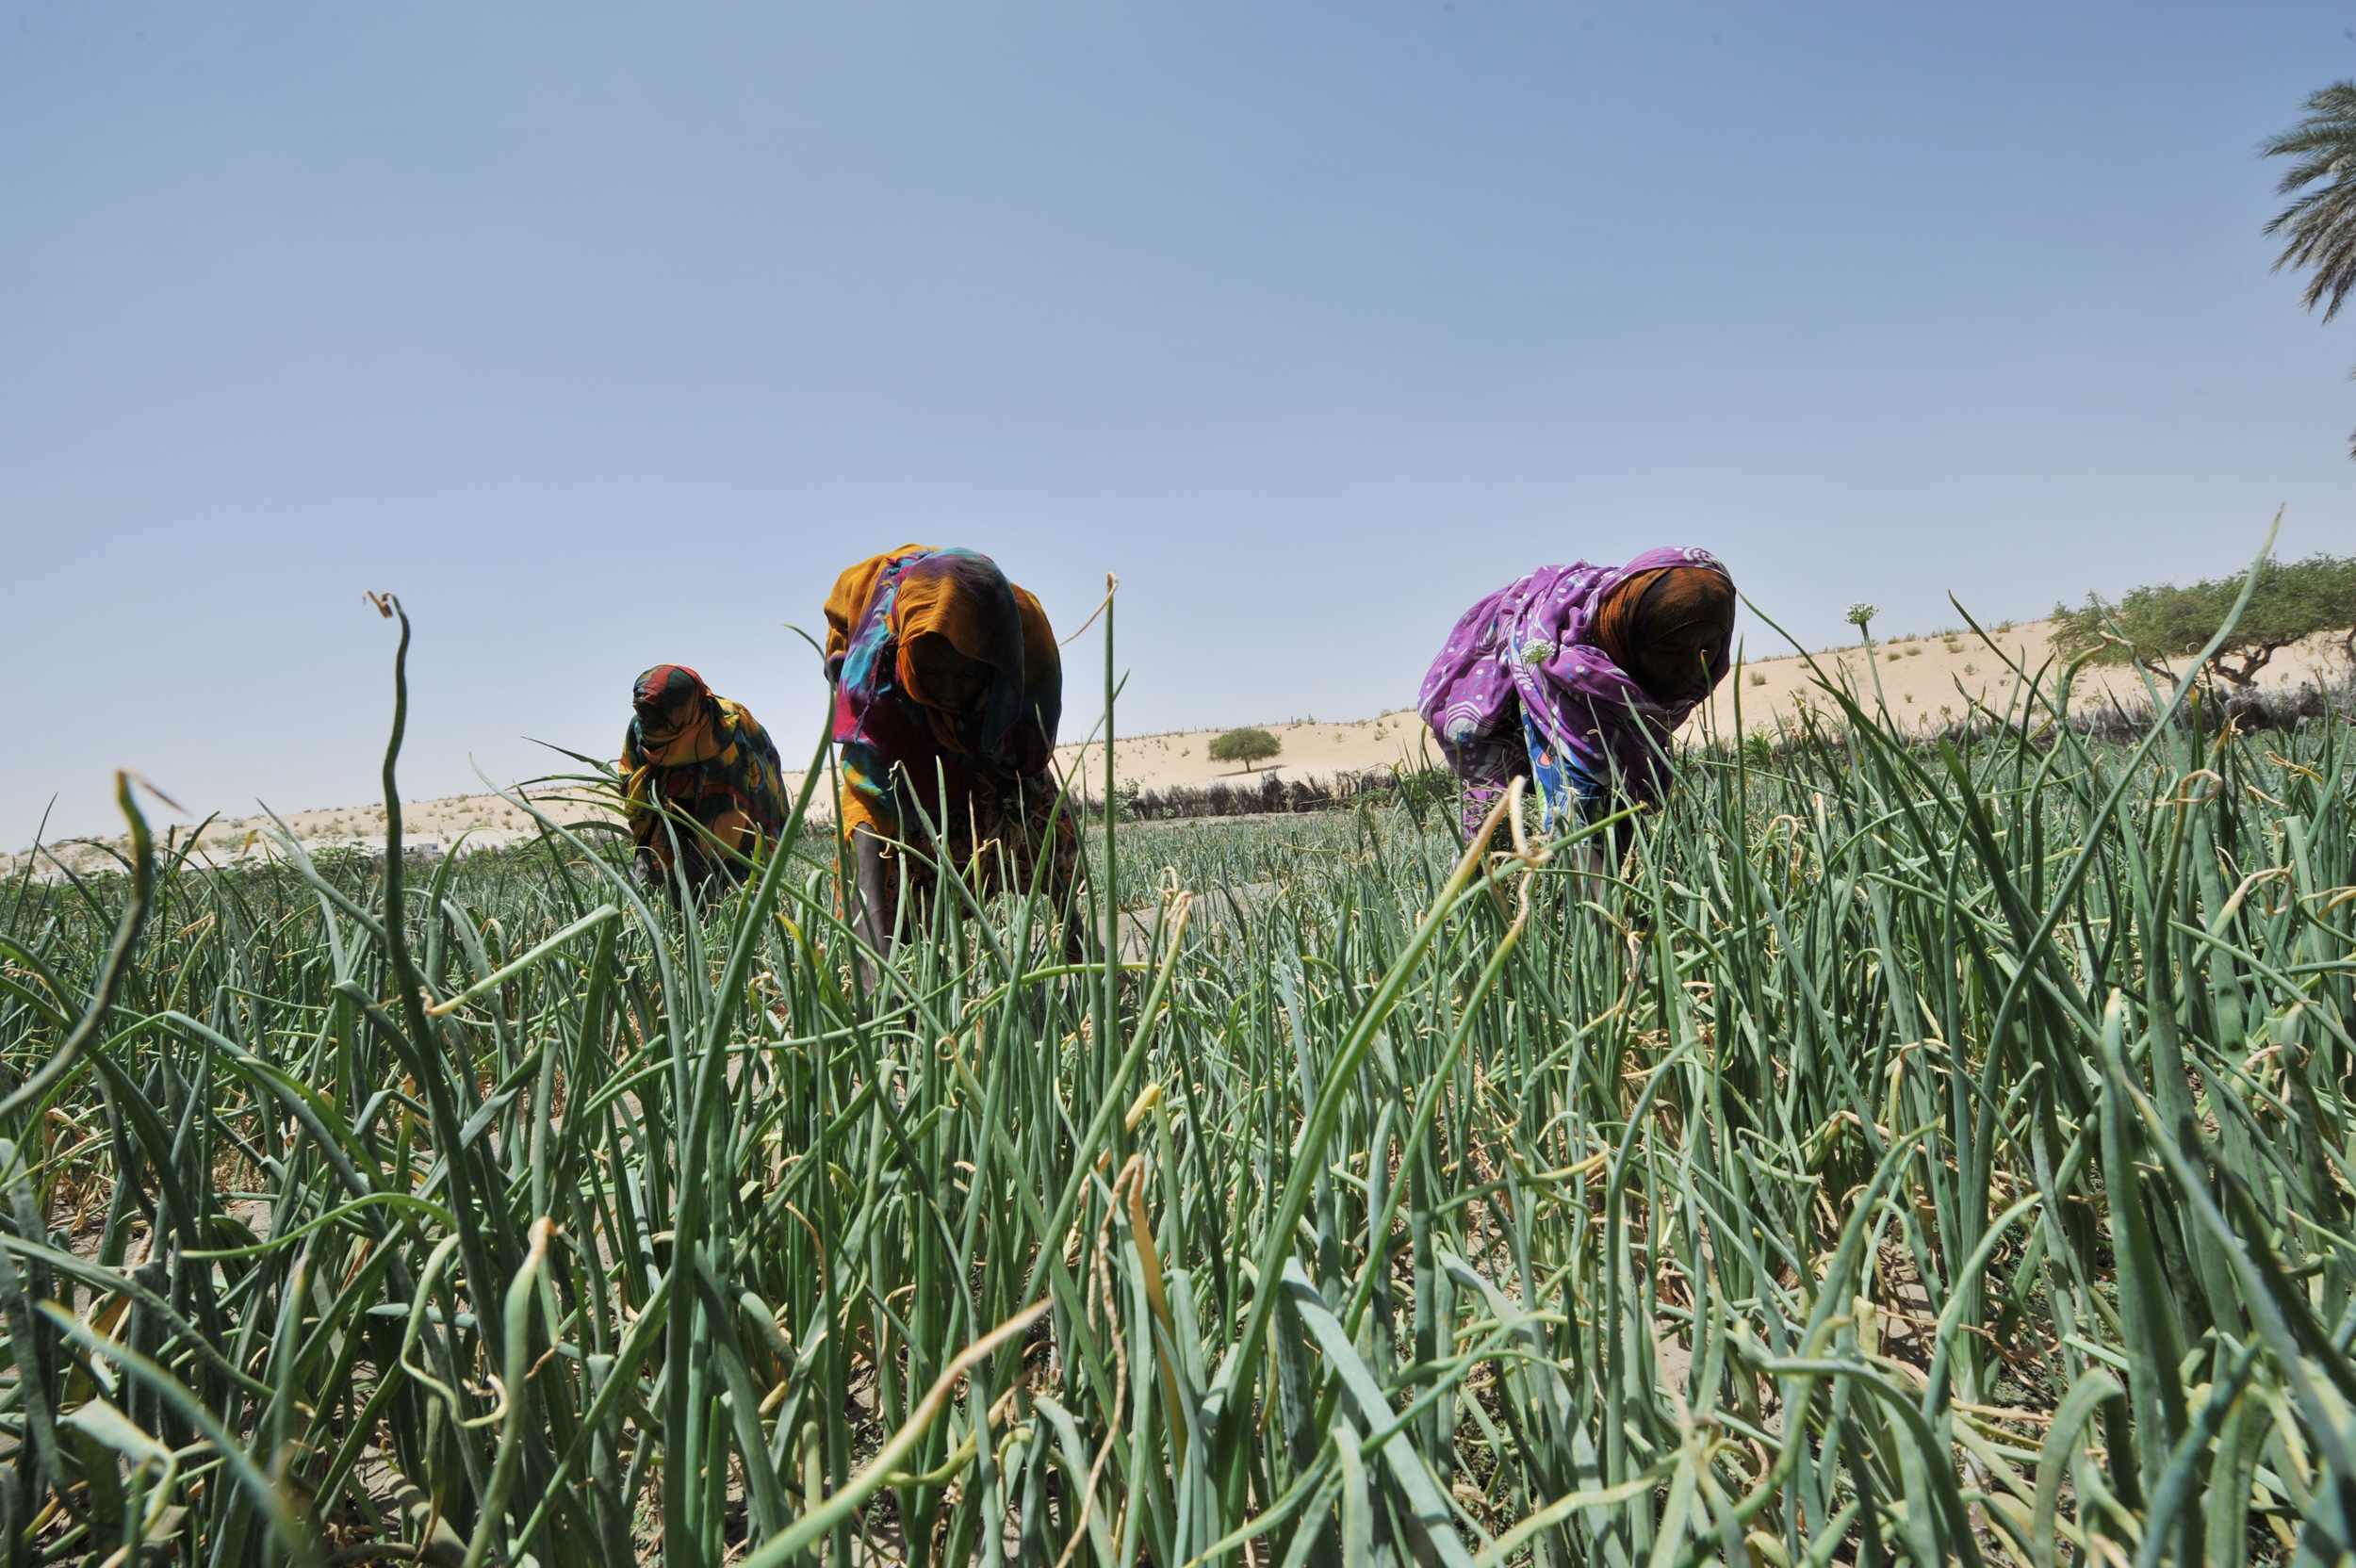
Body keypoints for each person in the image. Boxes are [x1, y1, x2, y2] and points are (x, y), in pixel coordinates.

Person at [824, 544, 1074, 955]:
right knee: (885, 863)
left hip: (987, 713)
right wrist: (873, 966)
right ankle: (904, 958)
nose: (949, 690)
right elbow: (865, 809)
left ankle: (1075, 937)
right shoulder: (876, 682)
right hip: (902, 705)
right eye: (935, 672)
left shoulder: (1024, 650)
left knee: (1037, 809)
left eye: (965, 675)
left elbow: (1028, 761)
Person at [1418, 547, 1736, 844]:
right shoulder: (1563, 662)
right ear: (1625, 632)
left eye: (1709, 649)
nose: (1691, 668)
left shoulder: (1643, 659)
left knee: (1622, 809)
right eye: (1671, 650)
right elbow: (1570, 806)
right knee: (1516, 825)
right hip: (1509, 704)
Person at [618, 664, 789, 901]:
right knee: (660, 904)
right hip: (664, 829)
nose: (645, 719)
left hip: (732, 828)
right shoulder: (638, 731)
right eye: (640, 709)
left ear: (682, 707)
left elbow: (764, 780)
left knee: (729, 903)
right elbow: (631, 784)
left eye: (655, 712)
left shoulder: (729, 726)